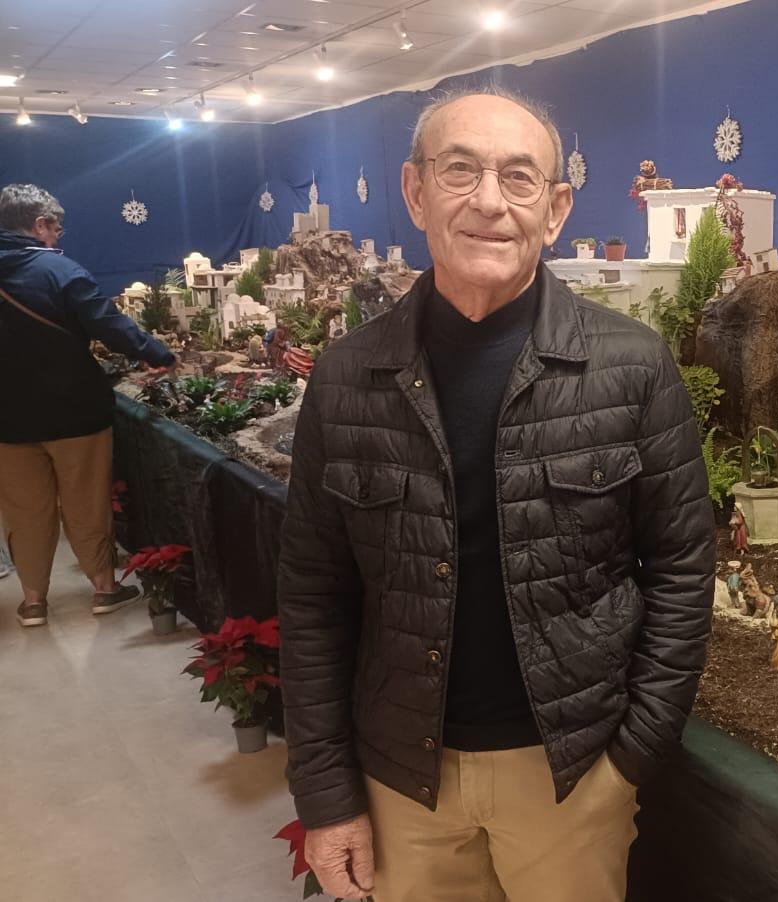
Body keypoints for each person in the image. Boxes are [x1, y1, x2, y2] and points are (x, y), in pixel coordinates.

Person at [278, 87, 715, 902]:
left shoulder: (632, 366)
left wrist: (631, 759)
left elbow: (682, 573)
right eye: (460, 171)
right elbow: (311, 597)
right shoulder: (346, 377)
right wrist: (327, 792)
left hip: (572, 776)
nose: (489, 201)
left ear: (555, 211)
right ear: (415, 192)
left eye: (519, 178)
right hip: (402, 778)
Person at [0, 183, 174, 627]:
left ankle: (33, 602)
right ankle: (104, 588)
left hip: (7, 422)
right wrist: (157, 353)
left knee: (23, 512)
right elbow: (106, 323)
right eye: (56, 228)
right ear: (39, 225)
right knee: (85, 502)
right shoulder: (59, 271)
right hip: (74, 412)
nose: (57, 236)